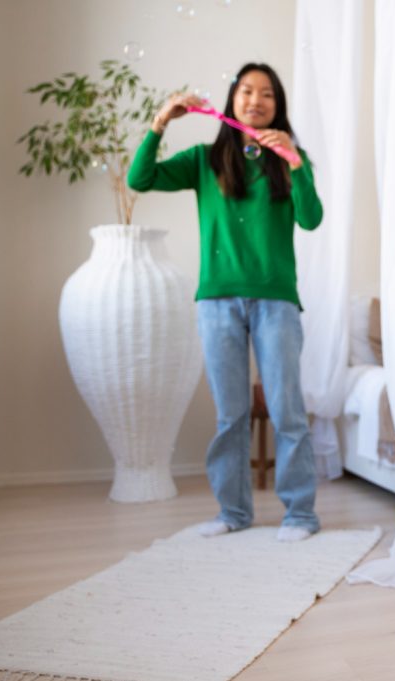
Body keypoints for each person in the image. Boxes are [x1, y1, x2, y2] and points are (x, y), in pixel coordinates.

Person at [127, 63, 323, 542]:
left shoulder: (290, 160)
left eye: (267, 95)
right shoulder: (203, 160)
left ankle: (300, 515)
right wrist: (161, 123)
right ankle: (233, 512)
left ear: (278, 106)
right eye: (247, 91)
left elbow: (312, 219)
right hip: (216, 303)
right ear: (232, 100)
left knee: (287, 411)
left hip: (276, 302)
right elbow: (140, 178)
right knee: (230, 414)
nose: (256, 101)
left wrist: (296, 165)